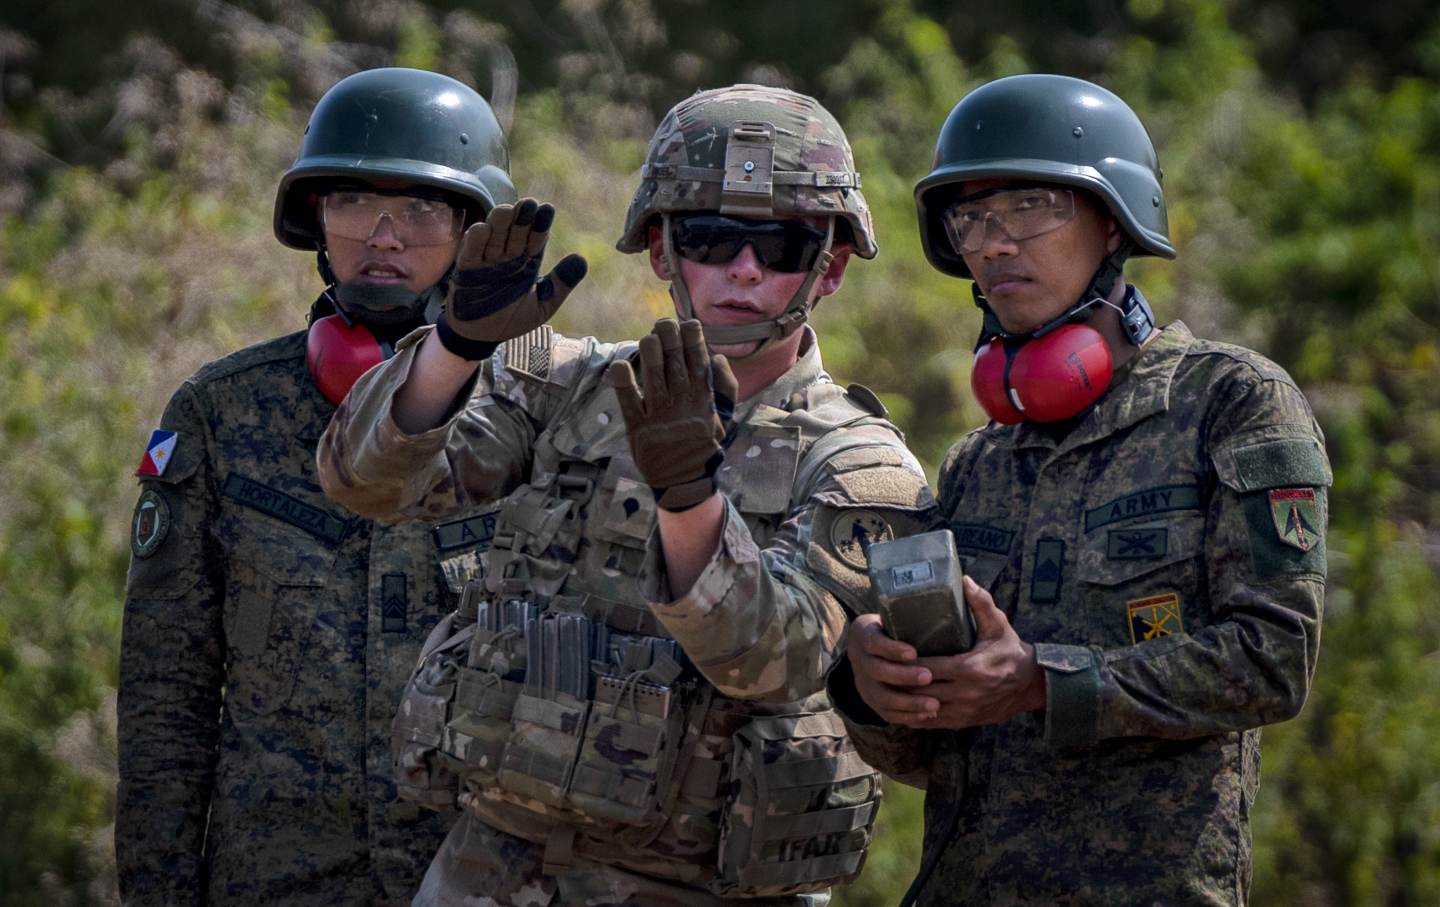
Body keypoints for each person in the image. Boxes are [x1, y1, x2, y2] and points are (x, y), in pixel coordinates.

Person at [316, 84, 936, 906]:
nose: (743, 270)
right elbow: (366, 482)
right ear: (660, 251)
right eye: (711, 238)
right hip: (493, 872)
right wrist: (456, 349)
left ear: (830, 267)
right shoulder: (566, 385)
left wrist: (689, 498)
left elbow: (779, 659)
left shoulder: (863, 465)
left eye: (782, 246)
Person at [830, 74, 1331, 905]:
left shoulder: (1228, 403)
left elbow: (1274, 661)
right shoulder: (978, 460)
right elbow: (936, 751)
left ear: (1112, 222)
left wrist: (1042, 680)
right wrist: (872, 687)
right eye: (972, 219)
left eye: (1029, 206)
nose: (993, 243)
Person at [115, 68, 518, 904]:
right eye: (349, 203)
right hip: (276, 877)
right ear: (314, 221)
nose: (382, 235)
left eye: (421, 209)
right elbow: (167, 690)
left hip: (483, 876)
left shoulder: (537, 416)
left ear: (475, 230)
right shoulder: (223, 412)